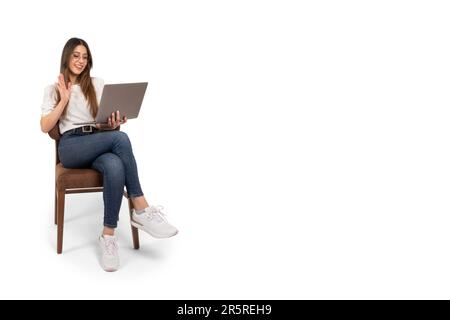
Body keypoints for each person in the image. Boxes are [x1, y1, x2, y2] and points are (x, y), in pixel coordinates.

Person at [40, 37, 178, 272]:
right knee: (121, 139)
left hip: (98, 139)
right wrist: (63, 100)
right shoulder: (53, 89)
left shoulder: (96, 84)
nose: (81, 61)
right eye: (76, 55)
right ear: (66, 57)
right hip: (71, 146)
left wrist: (114, 123)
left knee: (115, 164)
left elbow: (102, 124)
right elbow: (45, 126)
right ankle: (141, 208)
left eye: (85, 57)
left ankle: (108, 236)